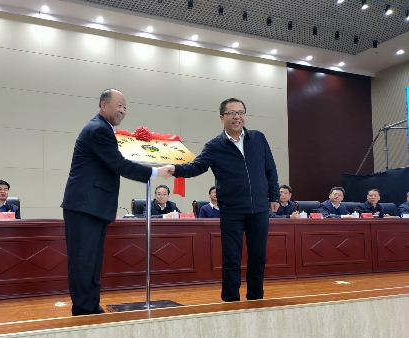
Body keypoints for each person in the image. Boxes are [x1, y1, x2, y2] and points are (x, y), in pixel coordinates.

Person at [61, 88, 172, 316]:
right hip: (85, 206)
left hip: (93, 206)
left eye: (125, 107)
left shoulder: (105, 130)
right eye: (118, 105)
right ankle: (83, 310)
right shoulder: (98, 129)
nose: (123, 110)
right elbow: (119, 164)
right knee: (83, 261)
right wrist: (155, 172)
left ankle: (91, 306)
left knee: (92, 261)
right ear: (103, 105)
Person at [167, 97, 279, 302]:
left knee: (258, 258)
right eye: (232, 113)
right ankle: (230, 301)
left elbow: (270, 169)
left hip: (259, 209)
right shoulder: (214, 146)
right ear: (222, 117)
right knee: (231, 258)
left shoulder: (258, 138)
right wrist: (174, 169)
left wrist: (274, 196)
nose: (237, 117)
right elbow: (196, 166)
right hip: (232, 211)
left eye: (241, 112)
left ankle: (256, 299)